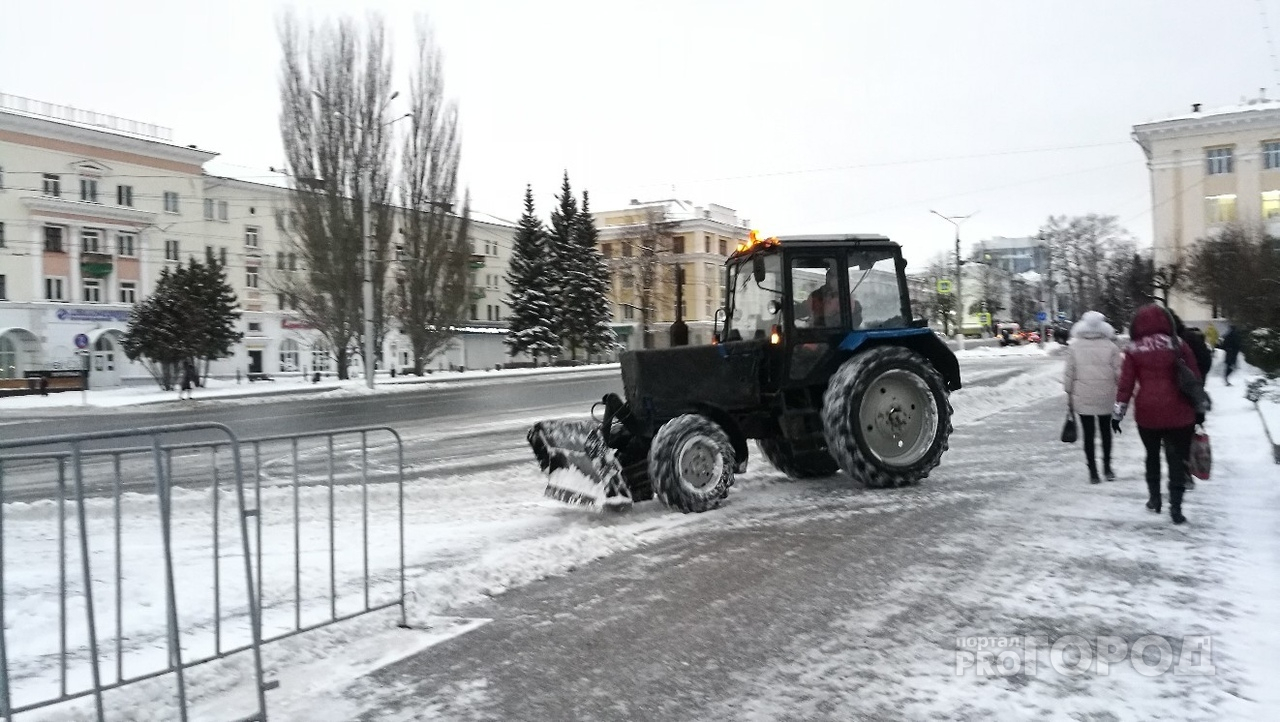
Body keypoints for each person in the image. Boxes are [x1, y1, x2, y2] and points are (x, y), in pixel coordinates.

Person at [1114, 303, 1204, 525]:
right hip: (1180, 413)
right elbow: (1194, 377)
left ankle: (1154, 499)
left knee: (1152, 456)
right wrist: (1199, 407)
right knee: (1177, 460)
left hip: (1148, 414)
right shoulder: (1178, 344)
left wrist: (1118, 413)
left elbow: (1126, 384)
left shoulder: (1133, 349)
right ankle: (1176, 508)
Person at [1063, 311, 1122, 483]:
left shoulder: (1074, 347)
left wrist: (1069, 394)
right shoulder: (1111, 347)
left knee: (1088, 434)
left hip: (1083, 395)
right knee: (1106, 432)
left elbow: (1069, 374)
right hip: (1106, 394)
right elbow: (1119, 373)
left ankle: (1093, 472)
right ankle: (1107, 468)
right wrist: (1121, 392)